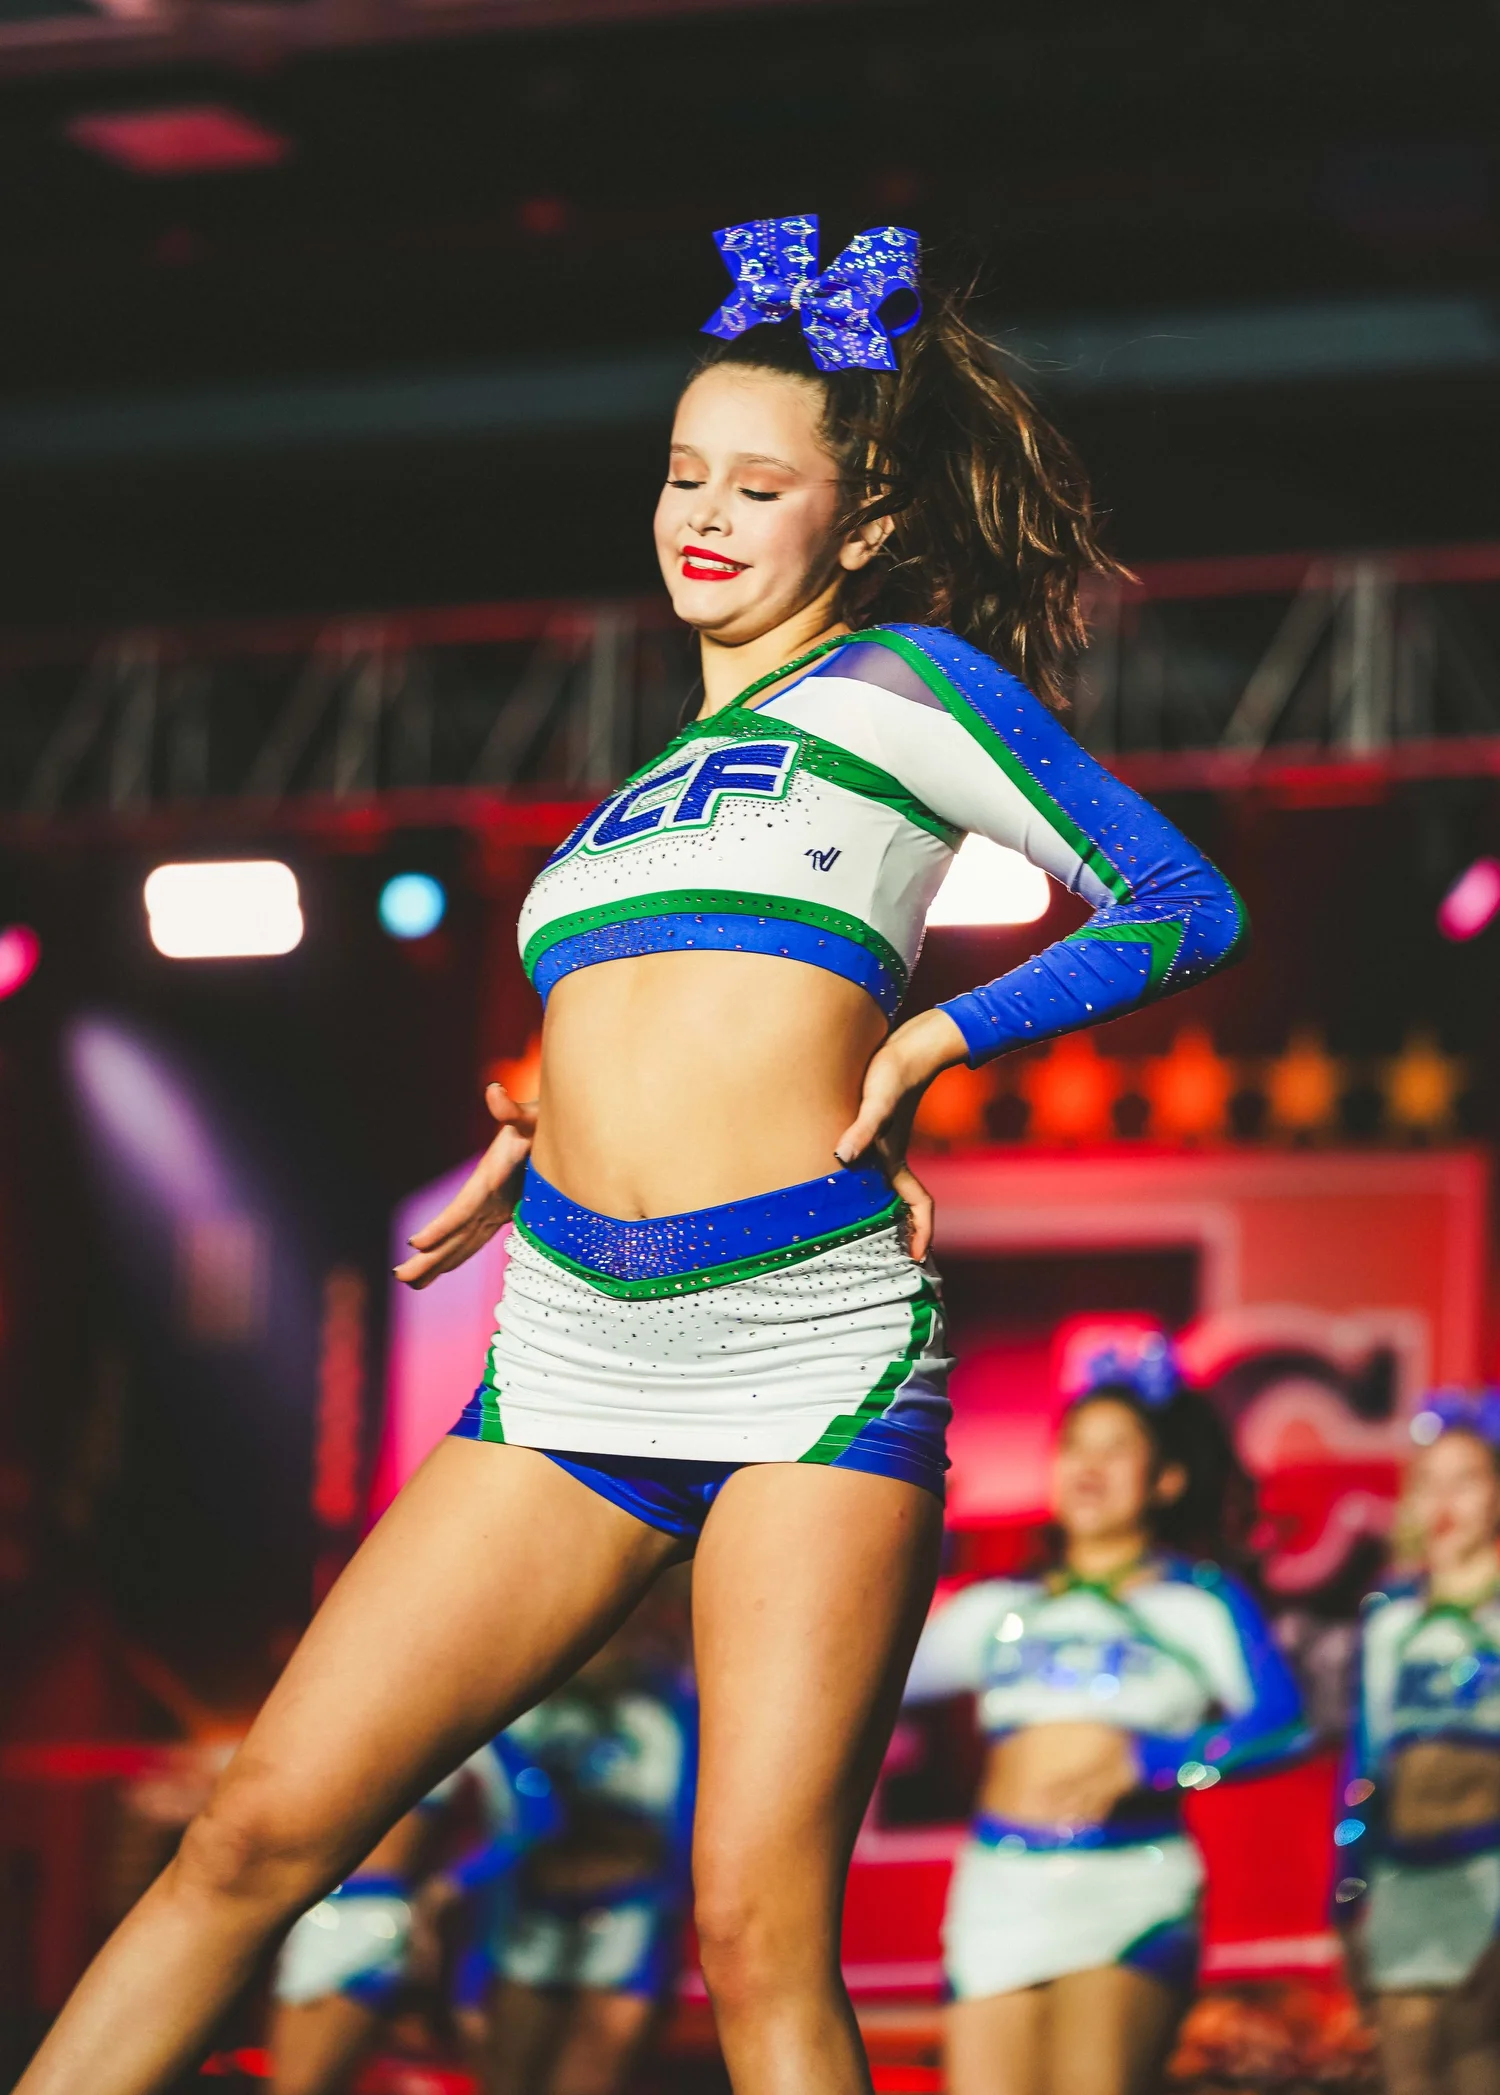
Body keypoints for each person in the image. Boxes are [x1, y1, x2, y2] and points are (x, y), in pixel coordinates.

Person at [16, 213, 1246, 2095]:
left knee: (754, 1932)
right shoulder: (624, 798)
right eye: (683, 472)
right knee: (252, 1834)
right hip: (573, 1347)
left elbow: (1180, 902)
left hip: (804, 1349)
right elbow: (671, 1020)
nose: (705, 514)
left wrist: (937, 1036)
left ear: (865, 516)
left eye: (760, 483)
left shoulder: (900, 692)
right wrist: (542, 1124)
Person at [904, 1325, 1304, 2095]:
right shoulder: (996, 1606)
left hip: (1130, 1885)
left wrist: (1154, 1760)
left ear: (1166, 1478)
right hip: (997, 1886)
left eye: (1116, 1447)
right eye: (1075, 1445)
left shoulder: (1197, 1602)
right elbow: (864, 1678)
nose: (1089, 1464)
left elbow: (1285, 1723)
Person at [457, 1593, 697, 2095]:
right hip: (527, 1921)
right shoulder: (520, 1706)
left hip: (629, 1922)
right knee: (509, 2077)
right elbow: (511, 1825)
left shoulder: (668, 1711)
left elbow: (675, 1838)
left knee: (589, 2078)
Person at [1336, 1389, 1500, 2095]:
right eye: (1428, 1481)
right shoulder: (1390, 1621)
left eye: (1466, 1480)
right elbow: (1367, 1765)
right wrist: (1346, 1893)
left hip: (1490, 1876)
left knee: (1476, 2061)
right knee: (1406, 2073)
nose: (1445, 1501)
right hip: (1404, 1880)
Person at [267, 1735, 559, 2095]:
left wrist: (451, 1883)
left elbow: (537, 1818)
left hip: (364, 1920)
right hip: (310, 1912)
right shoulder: (334, 1718)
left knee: (301, 2086)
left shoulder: (462, 1726)